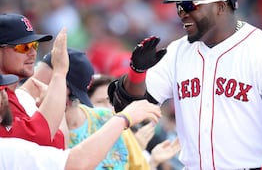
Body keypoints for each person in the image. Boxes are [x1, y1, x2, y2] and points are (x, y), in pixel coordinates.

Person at [108, 0, 262, 169]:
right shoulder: (177, 52)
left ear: (221, 6)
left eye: (189, 5)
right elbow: (132, 106)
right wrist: (137, 72)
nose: (182, 13)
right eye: (178, 6)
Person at [0, 73, 161, 170]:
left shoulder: (106, 119)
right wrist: (124, 118)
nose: (108, 108)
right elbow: (76, 162)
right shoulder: (8, 148)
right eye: (100, 101)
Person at [21, 48, 130, 170]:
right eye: (72, 96)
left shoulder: (104, 117)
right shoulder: (20, 111)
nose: (73, 103)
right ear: (57, 80)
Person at [0, 13, 66, 149]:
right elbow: (41, 137)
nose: (32, 53)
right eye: (23, 47)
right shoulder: (3, 98)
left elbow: (57, 144)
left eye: (34, 45)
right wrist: (59, 72)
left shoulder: (13, 96)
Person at [89, 73, 181, 170]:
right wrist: (134, 149)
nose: (108, 108)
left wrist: (153, 161)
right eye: (100, 102)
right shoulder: (81, 140)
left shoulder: (131, 134)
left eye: (111, 102)